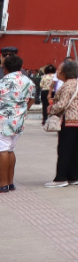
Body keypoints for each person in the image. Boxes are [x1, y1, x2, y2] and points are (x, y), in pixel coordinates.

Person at [45, 58, 78, 188]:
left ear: (65, 72)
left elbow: (62, 105)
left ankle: (61, 178)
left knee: (64, 149)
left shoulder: (67, 85)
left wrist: (51, 109)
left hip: (70, 120)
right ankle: (73, 176)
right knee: (75, 149)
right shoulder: (77, 83)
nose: (57, 72)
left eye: (59, 70)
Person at [0, 53, 37, 193]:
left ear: (5, 68)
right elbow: (32, 99)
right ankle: (10, 182)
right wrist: (21, 110)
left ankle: (2, 183)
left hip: (3, 120)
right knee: (10, 149)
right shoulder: (28, 81)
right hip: (19, 119)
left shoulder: (3, 81)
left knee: (2, 150)